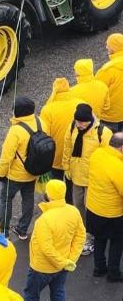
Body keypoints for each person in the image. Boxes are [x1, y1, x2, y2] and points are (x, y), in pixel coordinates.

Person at [24, 179, 85, 301]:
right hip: (63, 265)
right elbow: (80, 236)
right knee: (58, 292)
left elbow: (46, 248)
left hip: (42, 267)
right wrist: (70, 260)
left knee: (31, 295)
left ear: (48, 195)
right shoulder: (73, 211)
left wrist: (62, 262)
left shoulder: (44, 219)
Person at [0, 96, 47, 240]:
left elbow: (6, 156)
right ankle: (23, 230)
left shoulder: (15, 130)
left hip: (15, 175)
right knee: (28, 199)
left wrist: (0, 174)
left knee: (6, 200)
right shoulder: (41, 122)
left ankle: (4, 233)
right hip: (34, 171)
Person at [64, 103, 110, 256]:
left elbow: (108, 157)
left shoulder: (102, 133)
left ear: (90, 120)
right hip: (77, 176)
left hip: (93, 180)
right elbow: (67, 148)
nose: (79, 125)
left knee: (90, 210)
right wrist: (66, 167)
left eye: (82, 122)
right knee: (78, 207)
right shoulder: (72, 127)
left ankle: (90, 238)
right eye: (77, 122)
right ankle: (80, 234)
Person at [86, 132, 123, 282]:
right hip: (112, 213)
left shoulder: (97, 154)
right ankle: (113, 273)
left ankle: (99, 268)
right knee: (117, 242)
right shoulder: (118, 166)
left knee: (99, 239)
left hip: (94, 208)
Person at [41, 78, 85, 181]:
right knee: (72, 183)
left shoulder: (48, 109)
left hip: (55, 155)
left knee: (55, 183)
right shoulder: (81, 104)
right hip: (76, 152)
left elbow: (44, 134)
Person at [97, 33, 123, 131]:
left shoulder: (108, 69)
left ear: (114, 48)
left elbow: (97, 91)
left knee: (111, 143)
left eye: (109, 44)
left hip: (110, 115)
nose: (106, 46)